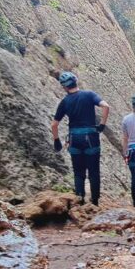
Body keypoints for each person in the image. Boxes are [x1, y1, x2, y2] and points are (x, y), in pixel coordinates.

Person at [51, 71, 110, 205]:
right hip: (90, 138)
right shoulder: (89, 95)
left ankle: (80, 199)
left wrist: (57, 141)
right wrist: (102, 125)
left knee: (78, 172)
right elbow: (105, 106)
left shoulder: (65, 101)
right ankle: (94, 201)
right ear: (76, 81)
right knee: (94, 171)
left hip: (74, 139)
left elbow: (54, 124)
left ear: (64, 87)